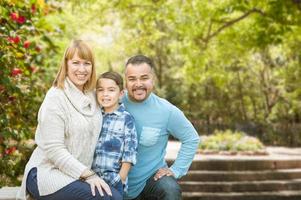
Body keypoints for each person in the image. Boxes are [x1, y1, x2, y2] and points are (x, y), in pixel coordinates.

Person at [16, 40, 122, 200]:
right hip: (47, 174)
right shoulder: (55, 98)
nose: (82, 69)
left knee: (116, 194)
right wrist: (89, 175)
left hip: (78, 174)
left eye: (87, 63)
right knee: (107, 198)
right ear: (66, 65)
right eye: (76, 63)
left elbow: (118, 98)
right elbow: (54, 150)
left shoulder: (93, 94)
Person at [122, 55, 200, 200]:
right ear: (125, 81)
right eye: (132, 79)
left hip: (150, 180)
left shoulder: (166, 110)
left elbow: (191, 138)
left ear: (153, 79)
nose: (138, 84)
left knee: (170, 189)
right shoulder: (114, 103)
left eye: (144, 78)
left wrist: (176, 170)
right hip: (117, 181)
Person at [91, 71, 138, 196]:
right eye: (101, 90)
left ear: (121, 93)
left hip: (113, 180)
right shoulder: (95, 116)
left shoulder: (126, 119)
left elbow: (130, 152)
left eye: (111, 90)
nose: (105, 94)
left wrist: (121, 178)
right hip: (91, 178)